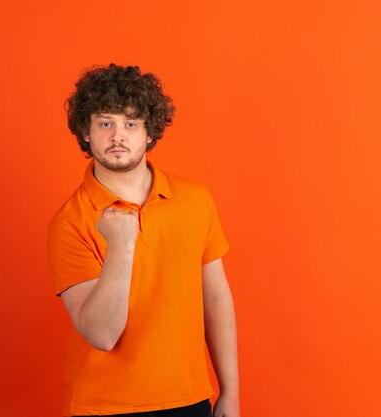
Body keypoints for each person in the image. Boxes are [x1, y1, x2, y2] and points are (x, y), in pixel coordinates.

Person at [47, 63, 240, 417]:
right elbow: (102, 334)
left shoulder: (196, 200)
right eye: (105, 123)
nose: (118, 136)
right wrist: (121, 246)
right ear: (86, 133)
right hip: (104, 407)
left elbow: (216, 298)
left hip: (190, 399)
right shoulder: (69, 222)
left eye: (131, 124)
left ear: (149, 133)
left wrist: (230, 391)